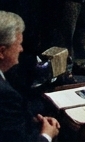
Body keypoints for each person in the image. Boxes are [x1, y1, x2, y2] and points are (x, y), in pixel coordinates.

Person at [0, 11, 58, 141]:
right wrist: (47, 134)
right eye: (18, 44)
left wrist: (31, 120)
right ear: (2, 51)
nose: (21, 49)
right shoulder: (6, 95)